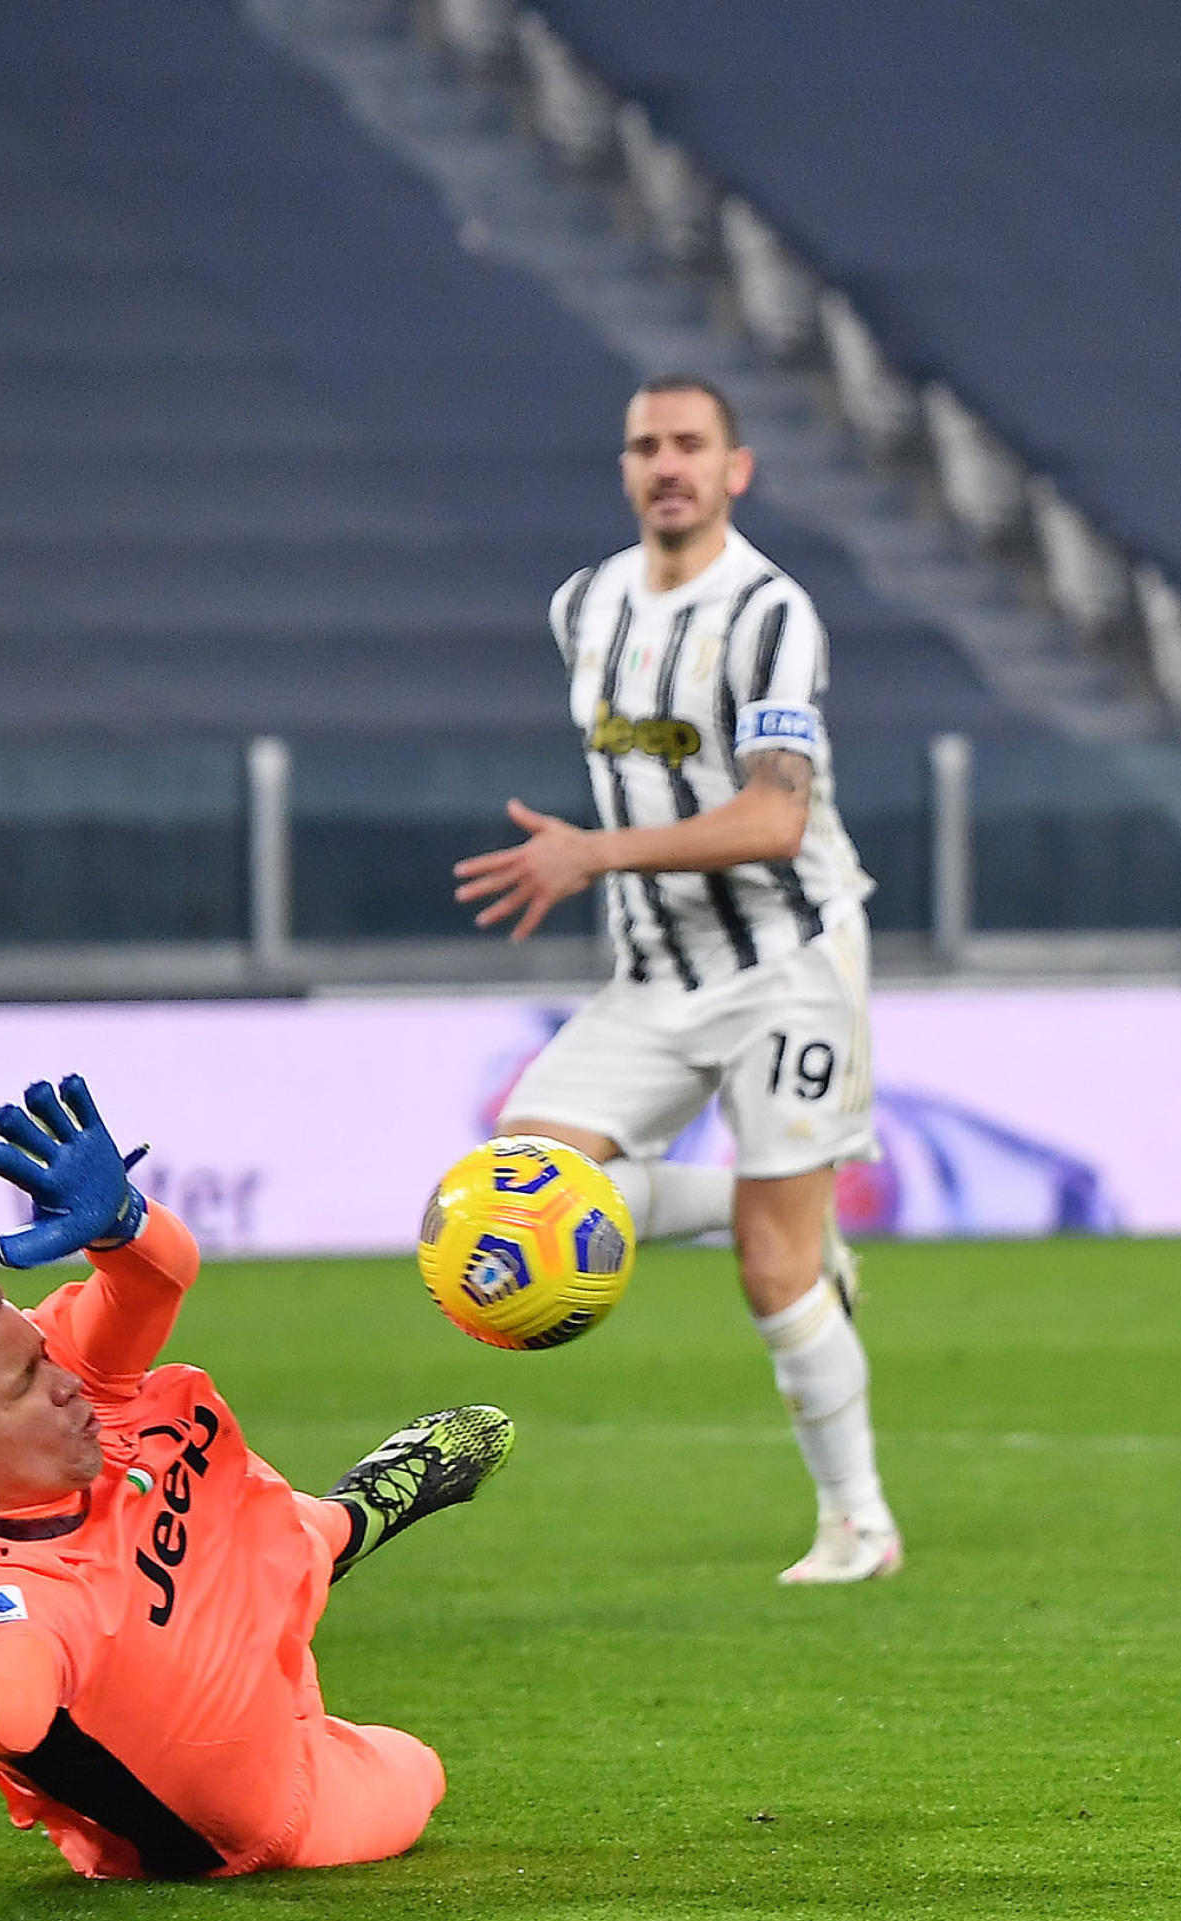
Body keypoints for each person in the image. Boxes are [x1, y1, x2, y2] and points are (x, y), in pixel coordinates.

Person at [0, 1077, 512, 1879]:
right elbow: (15, 1667)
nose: (65, 1380)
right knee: (417, 1770)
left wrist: (127, 1225)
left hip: (188, 1580)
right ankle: (348, 1521)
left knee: (218, 1500)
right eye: (28, 1381)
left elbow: (153, 1281)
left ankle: (356, 1511)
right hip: (256, 1802)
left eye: (42, 1350)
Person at [454, 372, 898, 1585]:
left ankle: (859, 1521)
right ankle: (793, 1221)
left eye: (691, 444)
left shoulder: (769, 614)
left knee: (771, 1274)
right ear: (626, 467)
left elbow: (771, 818)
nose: (668, 464)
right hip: (652, 972)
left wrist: (587, 852)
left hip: (787, 963)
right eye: (647, 444)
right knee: (516, 1179)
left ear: (735, 469)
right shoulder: (583, 605)